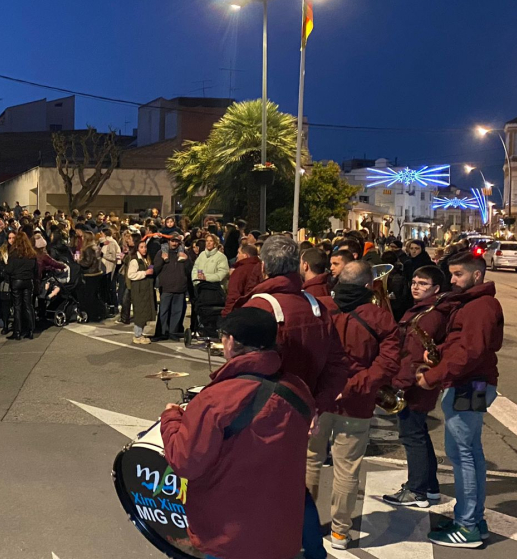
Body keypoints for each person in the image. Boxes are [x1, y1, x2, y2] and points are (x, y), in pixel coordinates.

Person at [161, 307, 315, 559]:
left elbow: (185, 461)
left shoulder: (216, 399)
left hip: (229, 539)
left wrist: (171, 418)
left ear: (230, 341)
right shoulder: (298, 389)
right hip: (281, 532)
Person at [233, 236, 353, 559]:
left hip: (262, 415)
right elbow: (339, 363)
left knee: (257, 487)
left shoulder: (259, 307)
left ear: (265, 266)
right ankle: (313, 549)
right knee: (293, 485)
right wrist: (318, 403)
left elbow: (241, 367)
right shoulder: (317, 306)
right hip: (303, 412)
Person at [306, 261, 400, 550]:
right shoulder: (380, 317)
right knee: (347, 469)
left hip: (319, 400)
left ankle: (303, 525)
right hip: (357, 403)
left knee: (310, 462)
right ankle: (339, 533)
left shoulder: (319, 308)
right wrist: (355, 386)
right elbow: (389, 363)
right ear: (368, 285)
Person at [416, 251, 502, 548]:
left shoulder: (479, 306)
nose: (452, 280)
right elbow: (463, 345)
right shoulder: (474, 304)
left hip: (469, 384)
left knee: (464, 455)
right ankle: (473, 519)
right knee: (469, 453)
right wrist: (438, 349)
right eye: (451, 274)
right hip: (472, 383)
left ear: (477, 275)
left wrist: (434, 375)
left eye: (458, 274)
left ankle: (467, 527)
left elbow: (470, 353)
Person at [383, 265, 449, 509]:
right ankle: (429, 487)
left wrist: (399, 384)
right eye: (414, 282)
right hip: (417, 381)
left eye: (423, 284)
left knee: (412, 436)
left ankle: (416, 490)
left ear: (436, 289)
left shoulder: (429, 315)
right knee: (419, 434)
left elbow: (413, 354)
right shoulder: (423, 310)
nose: (416, 287)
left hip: (415, 383)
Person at [153, 234, 191, 341]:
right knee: (163, 311)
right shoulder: (162, 252)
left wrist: (186, 259)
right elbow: (156, 268)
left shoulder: (184, 253)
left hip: (180, 287)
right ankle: (162, 332)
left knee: (177, 312)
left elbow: (189, 270)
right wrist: (163, 259)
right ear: (169, 241)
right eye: (172, 241)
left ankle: (173, 332)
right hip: (166, 287)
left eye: (176, 241)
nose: (174, 243)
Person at [4, 232, 39, 340]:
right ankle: (30, 330)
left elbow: (9, 270)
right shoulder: (32, 254)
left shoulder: (13, 254)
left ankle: (17, 332)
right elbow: (36, 270)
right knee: (28, 305)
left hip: (16, 281)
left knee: (17, 307)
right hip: (28, 281)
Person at [125, 235, 156, 344]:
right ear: (138, 248)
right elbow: (131, 275)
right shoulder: (135, 261)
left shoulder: (145, 259)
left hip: (145, 289)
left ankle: (141, 333)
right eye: (142, 247)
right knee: (139, 313)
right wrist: (145, 273)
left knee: (144, 312)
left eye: (145, 247)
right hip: (138, 290)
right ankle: (137, 335)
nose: (144, 249)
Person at [222, 244, 263, 316]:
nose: (237, 256)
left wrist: (226, 314)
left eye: (239, 253)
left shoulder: (240, 271)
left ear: (245, 255)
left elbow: (233, 296)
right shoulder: (262, 268)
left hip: (242, 312)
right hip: (260, 310)